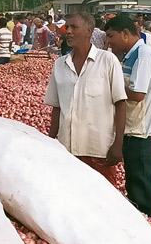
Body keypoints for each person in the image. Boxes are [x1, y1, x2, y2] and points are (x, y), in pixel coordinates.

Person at [44, 13, 126, 185]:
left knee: (103, 199)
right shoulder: (60, 64)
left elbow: (120, 103)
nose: (68, 31)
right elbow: (57, 107)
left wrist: (118, 144)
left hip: (98, 148)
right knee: (71, 195)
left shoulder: (108, 60)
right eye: (67, 27)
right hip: (68, 148)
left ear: (89, 31)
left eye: (74, 27)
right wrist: (50, 141)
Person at [106, 14, 151, 221]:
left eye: (111, 36)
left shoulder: (143, 55)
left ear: (125, 33)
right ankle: (145, 224)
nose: (109, 41)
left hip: (144, 132)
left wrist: (111, 88)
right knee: (134, 183)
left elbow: (138, 94)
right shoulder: (130, 55)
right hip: (135, 129)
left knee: (141, 184)